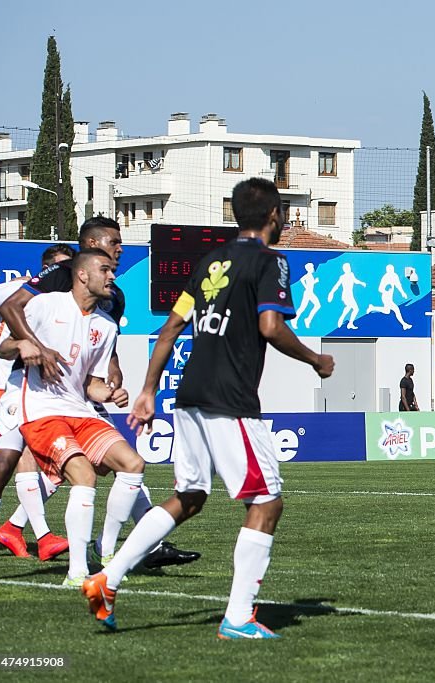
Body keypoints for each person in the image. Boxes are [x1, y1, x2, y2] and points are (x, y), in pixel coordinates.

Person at [82, 177, 335, 637]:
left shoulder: (208, 262)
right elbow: (271, 326)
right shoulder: (270, 261)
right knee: (266, 502)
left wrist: (147, 390)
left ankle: (106, 577)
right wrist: (316, 359)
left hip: (190, 394)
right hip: (229, 399)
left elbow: (170, 329)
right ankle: (238, 618)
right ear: (274, 215)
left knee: (191, 496)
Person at [0, 218, 200, 570]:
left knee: (124, 464)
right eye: (113, 243)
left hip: (75, 395)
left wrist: (111, 376)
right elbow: (8, 314)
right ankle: (47, 539)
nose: (120, 249)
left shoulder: (112, 299)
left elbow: (100, 343)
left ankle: (132, 543)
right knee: (11, 465)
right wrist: (34, 346)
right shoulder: (56, 280)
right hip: (26, 393)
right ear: (90, 247)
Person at [0, 249, 143, 586]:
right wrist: (22, 346)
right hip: (41, 410)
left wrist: (109, 392)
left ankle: (102, 550)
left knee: (132, 464)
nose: (112, 276)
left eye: (113, 270)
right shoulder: (46, 304)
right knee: (83, 474)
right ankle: (77, 573)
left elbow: (89, 383)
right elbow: (7, 346)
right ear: (81, 275)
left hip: (78, 408)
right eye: (105, 269)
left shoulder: (106, 326)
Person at [0, 243, 75, 561]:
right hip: (2, 386)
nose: (68, 275)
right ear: (46, 270)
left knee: (55, 467)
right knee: (7, 463)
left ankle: (14, 527)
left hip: (39, 392)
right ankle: (39, 534)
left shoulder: (68, 305)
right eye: (62, 268)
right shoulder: (19, 289)